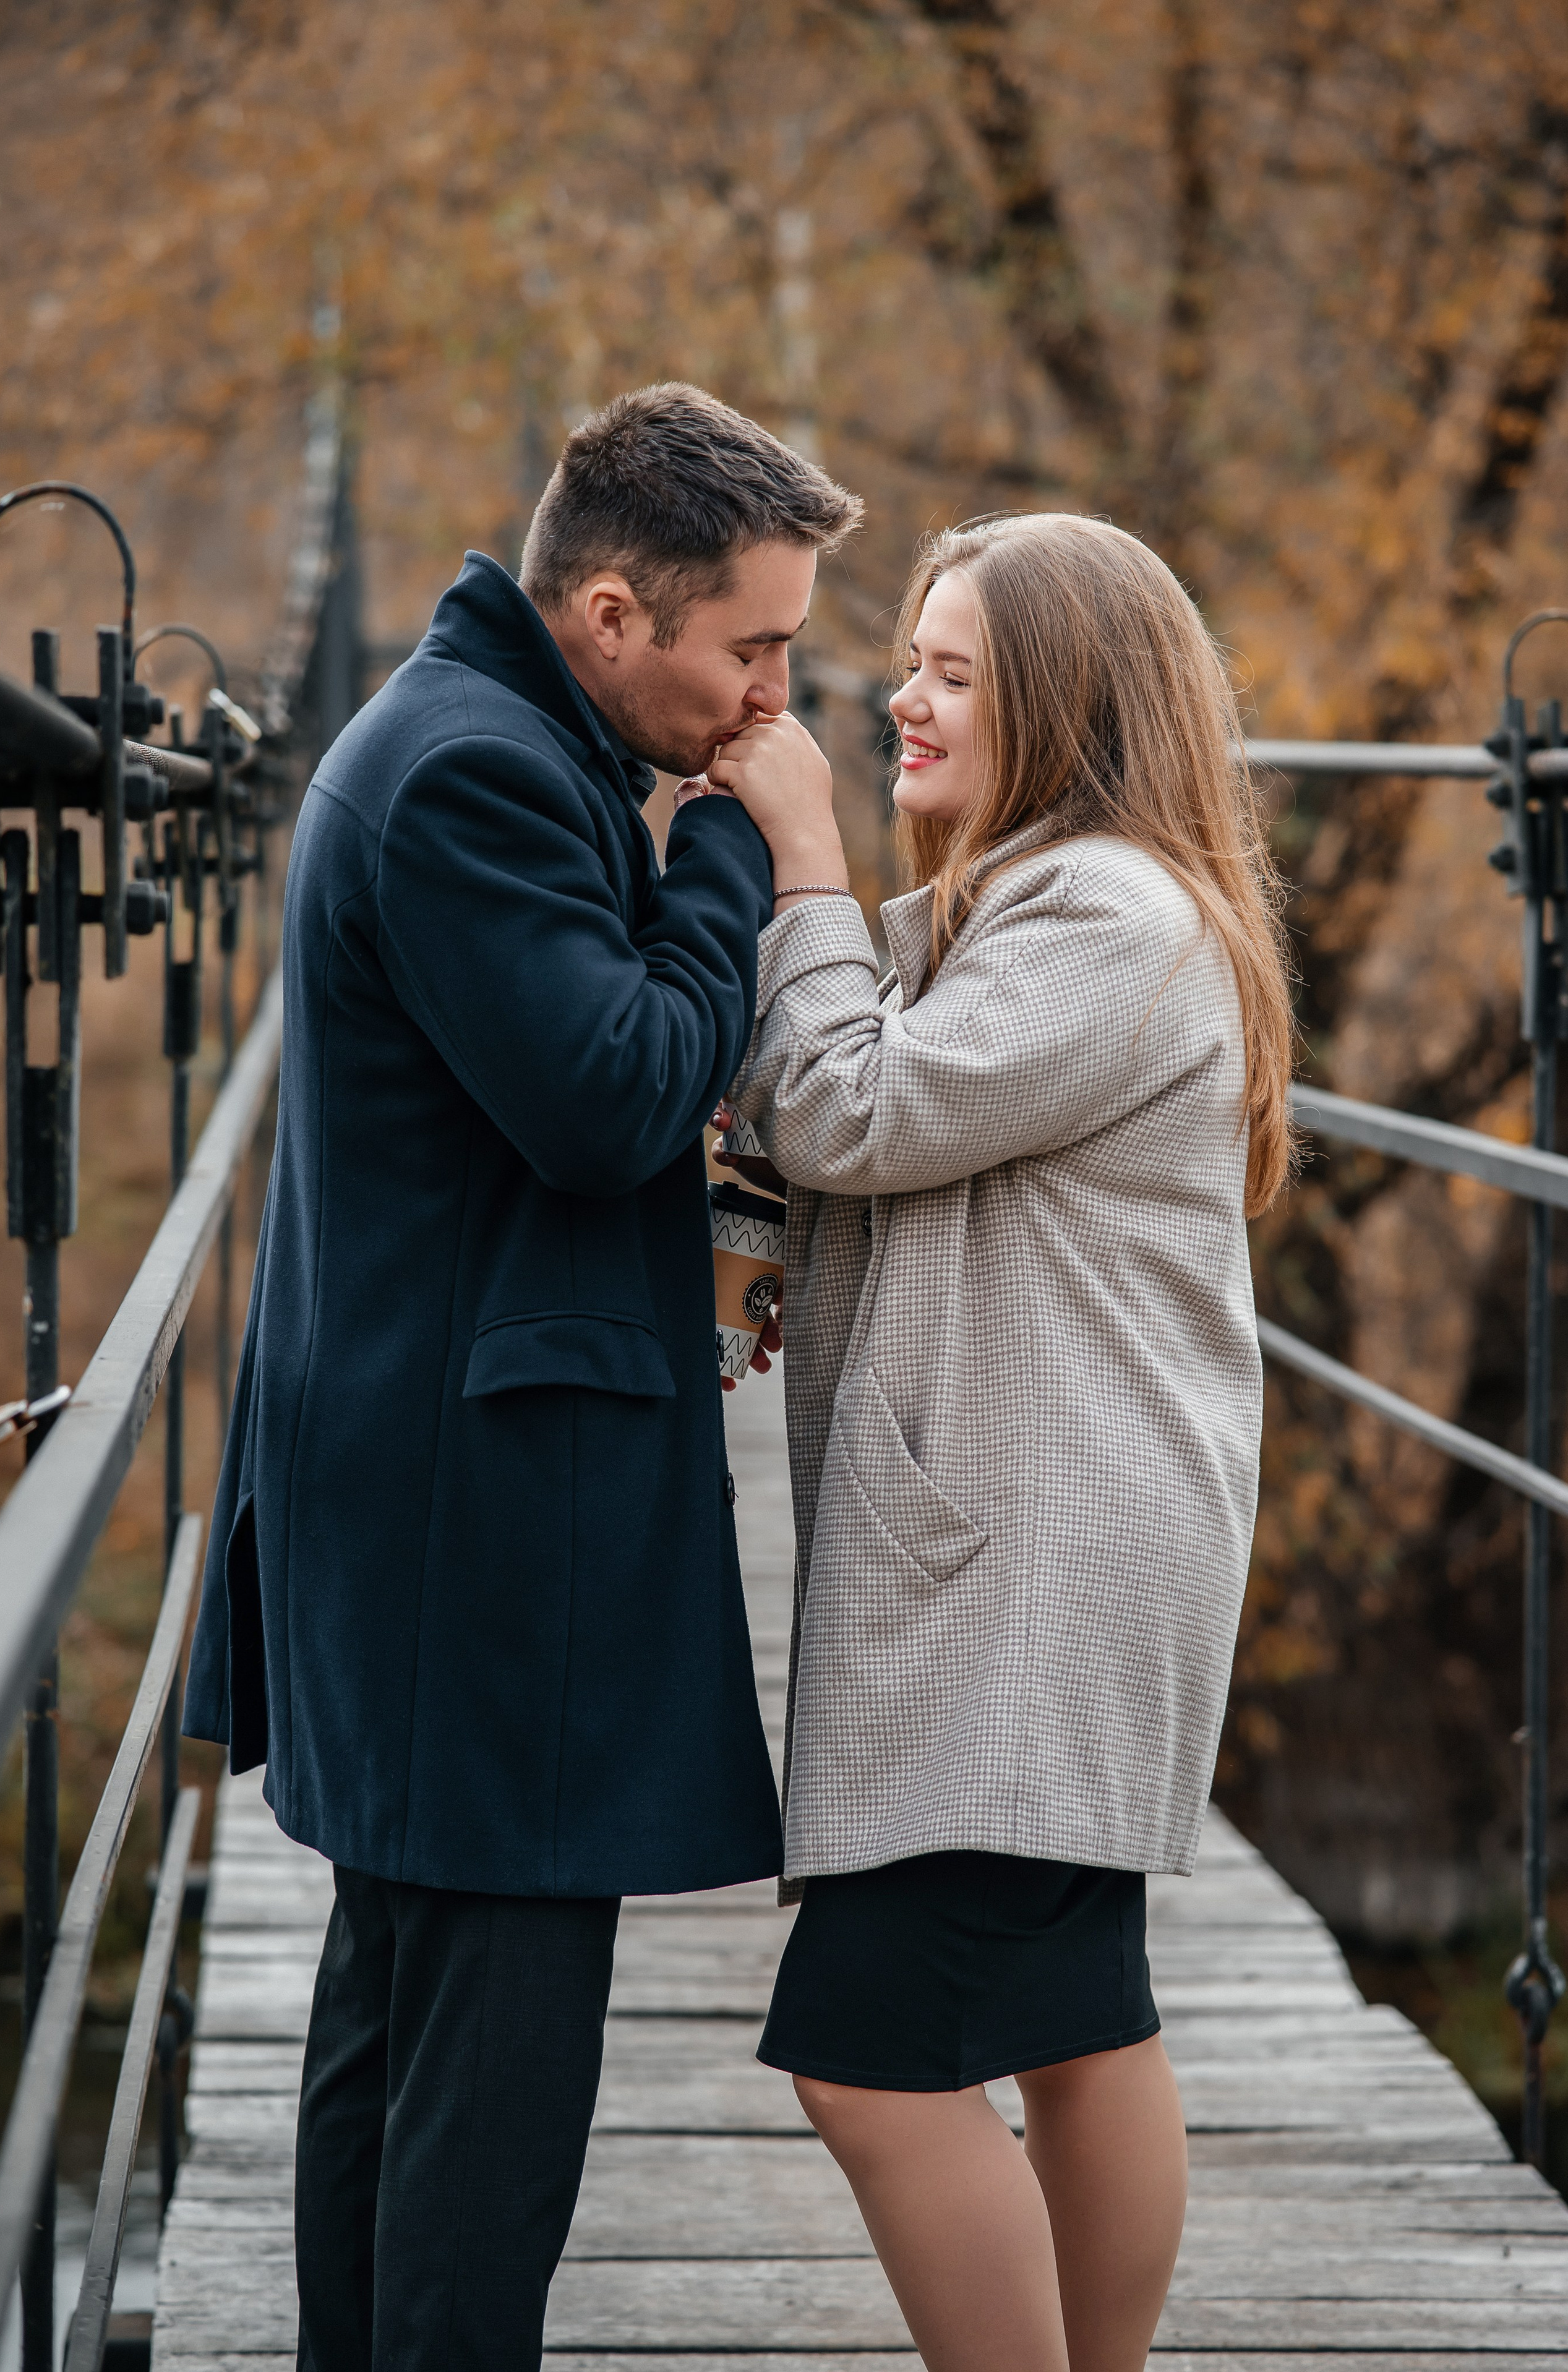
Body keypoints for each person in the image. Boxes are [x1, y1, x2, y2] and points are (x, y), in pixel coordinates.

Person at [181, 382, 861, 2371]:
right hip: (480, 1525)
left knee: (398, 2023)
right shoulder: (478, 773)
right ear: (615, 619)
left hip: (420, 1478)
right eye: (754, 646)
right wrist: (739, 854)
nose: (771, 694)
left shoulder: (476, 736)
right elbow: (611, 1094)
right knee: (494, 2073)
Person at [709, 513, 1295, 2372]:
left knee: (866, 2069)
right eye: (916, 658)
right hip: (1067, 1539)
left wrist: (798, 848)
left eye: (956, 671)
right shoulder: (1051, 899)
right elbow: (868, 1130)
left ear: (1065, 708)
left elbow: (853, 1105)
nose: (904, 697)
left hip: (1036, 1571)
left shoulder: (1107, 916)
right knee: (1076, 2008)